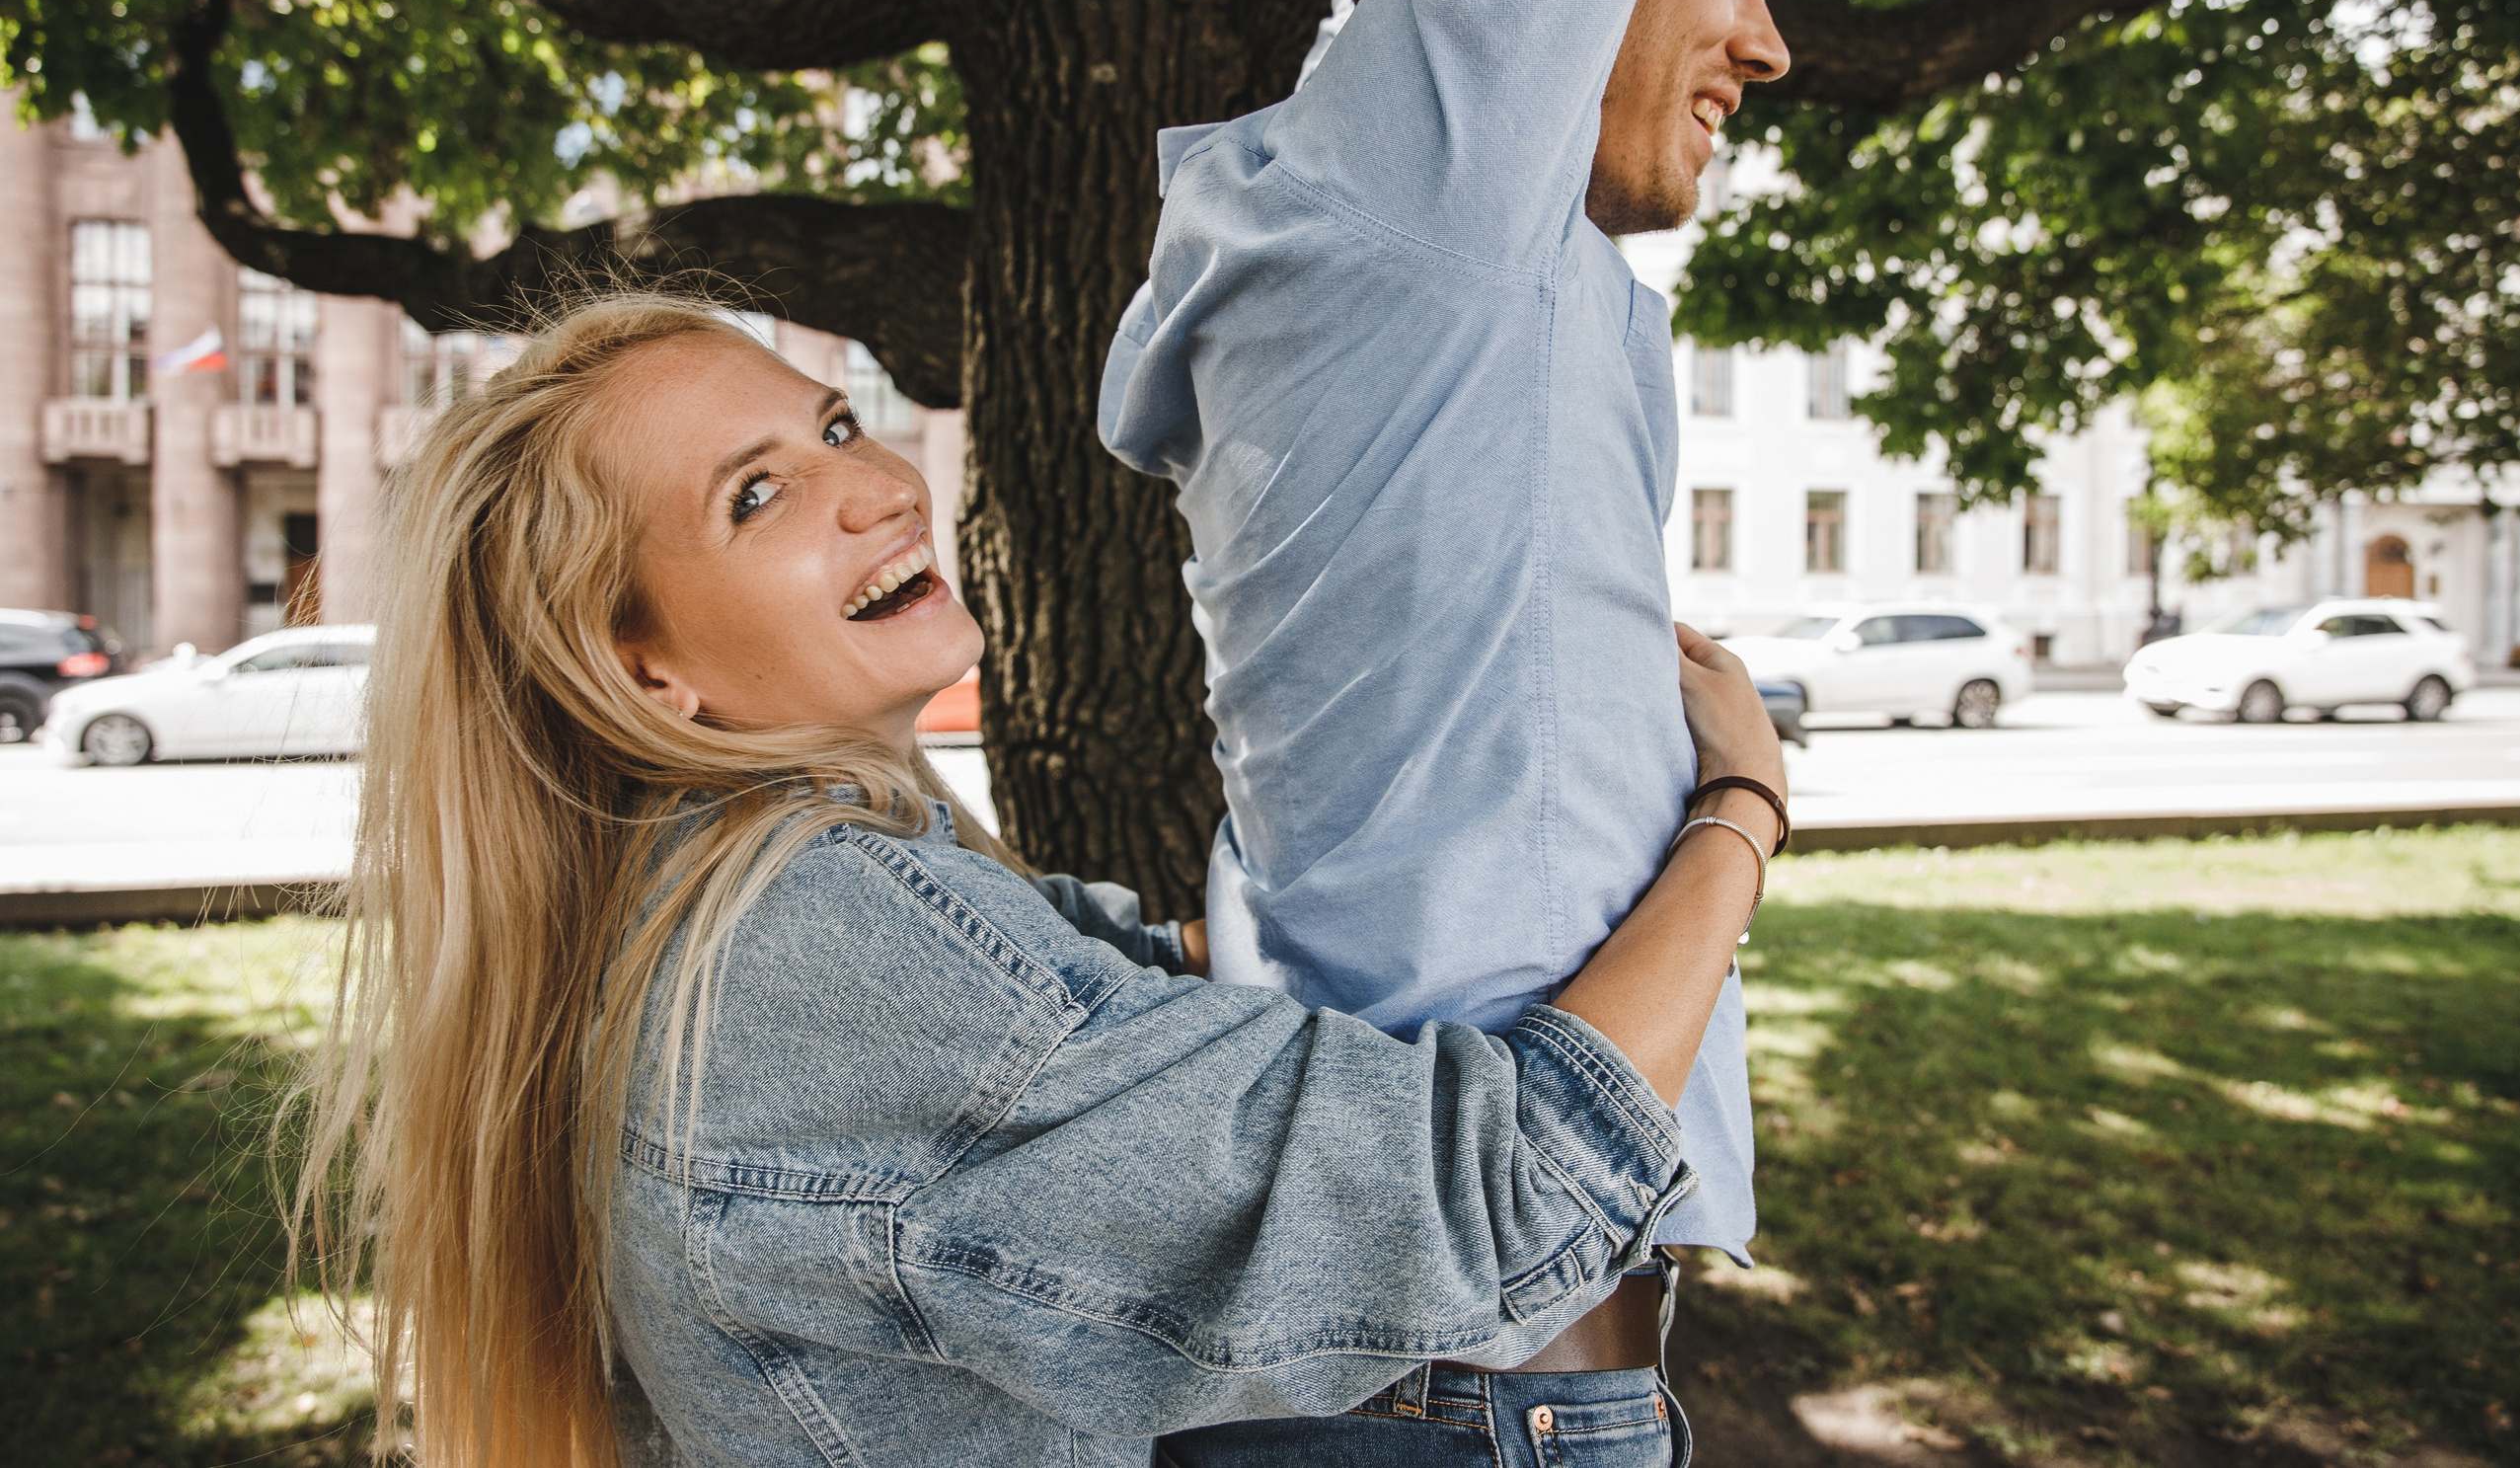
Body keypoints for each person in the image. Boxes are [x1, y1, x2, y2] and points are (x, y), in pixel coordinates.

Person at [290, 295, 1789, 1468]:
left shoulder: (710, 893)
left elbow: (1103, 987)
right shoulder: (816, 943)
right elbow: (1475, 1205)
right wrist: (1738, 813)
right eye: (757, 496)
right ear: (648, 669)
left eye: (836, 423)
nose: (874, 487)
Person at [1101, 0, 1792, 1445]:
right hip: (1467, 1407)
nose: (1765, 40)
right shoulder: (1422, 216)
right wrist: (1748, 801)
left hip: (1448, 1386)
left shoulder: (1445, 286)